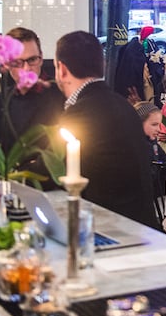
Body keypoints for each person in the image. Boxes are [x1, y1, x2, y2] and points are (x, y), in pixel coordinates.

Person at [56, 31, 158, 228]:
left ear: (61, 69)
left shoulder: (80, 113)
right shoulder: (123, 106)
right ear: (102, 64)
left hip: (111, 229)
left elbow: (57, 169)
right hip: (143, 227)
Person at [0, 27, 64, 154]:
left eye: (32, 60)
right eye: (17, 62)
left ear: (41, 58)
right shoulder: (0, 100)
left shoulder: (61, 97)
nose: (26, 69)